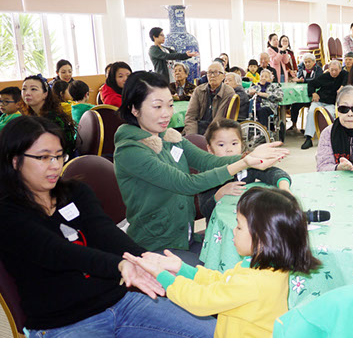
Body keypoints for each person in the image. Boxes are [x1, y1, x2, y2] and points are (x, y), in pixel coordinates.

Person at [0, 115, 223, 338]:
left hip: (120, 302)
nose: (55, 166)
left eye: (59, 156)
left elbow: (107, 235)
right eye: (43, 157)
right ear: (15, 161)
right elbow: (59, 253)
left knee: (214, 336)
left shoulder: (75, 193)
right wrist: (120, 265)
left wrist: (144, 260)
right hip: (62, 326)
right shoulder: (2, 216)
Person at [123, 186, 320, 338]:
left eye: (239, 226)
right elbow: (222, 283)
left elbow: (200, 301)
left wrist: (163, 277)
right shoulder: (262, 266)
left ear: (263, 238)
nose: (233, 231)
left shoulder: (254, 280)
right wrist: (181, 269)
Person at [113, 71, 289, 264]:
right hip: (155, 246)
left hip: (185, 238)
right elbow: (186, 184)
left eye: (170, 105)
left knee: (247, 256)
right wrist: (243, 163)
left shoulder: (169, 137)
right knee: (224, 270)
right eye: (157, 106)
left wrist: (248, 156)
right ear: (134, 109)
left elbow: (208, 161)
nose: (167, 113)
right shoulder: (130, 151)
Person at [198, 119, 290, 221]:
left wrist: (284, 188)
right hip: (220, 225)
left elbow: (274, 173)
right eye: (221, 145)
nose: (229, 149)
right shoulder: (208, 173)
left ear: (241, 145)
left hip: (245, 219)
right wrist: (219, 194)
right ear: (210, 149)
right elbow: (205, 210)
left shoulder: (247, 164)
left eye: (234, 143)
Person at [22, 75, 77, 157]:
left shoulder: (52, 119)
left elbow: (57, 150)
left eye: (33, 89)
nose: (27, 93)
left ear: (45, 94)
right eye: (24, 89)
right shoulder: (34, 115)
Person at [301, 60, 348, 149]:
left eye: (336, 70)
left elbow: (347, 77)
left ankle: (329, 139)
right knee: (311, 112)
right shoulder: (325, 76)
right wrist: (313, 93)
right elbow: (311, 84)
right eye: (332, 70)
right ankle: (308, 138)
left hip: (332, 104)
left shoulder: (344, 75)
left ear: (340, 69)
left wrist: (342, 86)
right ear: (328, 69)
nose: (334, 72)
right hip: (320, 101)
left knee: (329, 116)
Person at [183, 61, 236, 135]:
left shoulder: (228, 92)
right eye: (210, 73)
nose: (212, 75)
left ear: (223, 76)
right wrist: (192, 136)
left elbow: (219, 120)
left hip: (216, 131)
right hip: (197, 128)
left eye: (216, 72)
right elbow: (191, 116)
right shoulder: (199, 90)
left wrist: (206, 138)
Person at [288, 53, 324, 133]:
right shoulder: (302, 68)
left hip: (315, 95)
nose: (307, 64)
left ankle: (310, 127)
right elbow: (299, 78)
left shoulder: (318, 69)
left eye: (309, 62)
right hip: (302, 95)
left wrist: (303, 80)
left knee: (312, 108)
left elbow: (316, 80)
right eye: (305, 62)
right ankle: (294, 125)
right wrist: (297, 78)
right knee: (294, 105)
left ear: (313, 62)